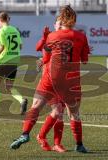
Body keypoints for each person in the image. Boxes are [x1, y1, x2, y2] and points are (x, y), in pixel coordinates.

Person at [10, 5, 89, 153]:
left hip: (51, 78)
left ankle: (25, 134)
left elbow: (45, 56)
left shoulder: (52, 36)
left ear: (62, 20)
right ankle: (79, 145)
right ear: (74, 20)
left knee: (37, 107)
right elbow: (84, 60)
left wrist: (44, 55)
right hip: (71, 80)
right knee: (73, 114)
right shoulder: (81, 36)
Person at [0, 12, 28, 116]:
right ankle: (22, 100)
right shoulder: (15, 30)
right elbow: (20, 46)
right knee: (9, 87)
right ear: (8, 19)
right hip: (14, 61)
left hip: (3, 61)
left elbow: (1, 47)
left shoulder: (1, 31)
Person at [35, 21, 67, 153]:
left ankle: (56, 144)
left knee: (60, 114)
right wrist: (44, 37)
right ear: (55, 25)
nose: (60, 27)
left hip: (63, 81)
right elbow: (38, 48)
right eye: (58, 24)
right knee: (56, 110)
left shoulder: (67, 39)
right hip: (49, 81)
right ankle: (41, 136)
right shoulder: (51, 37)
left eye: (62, 24)